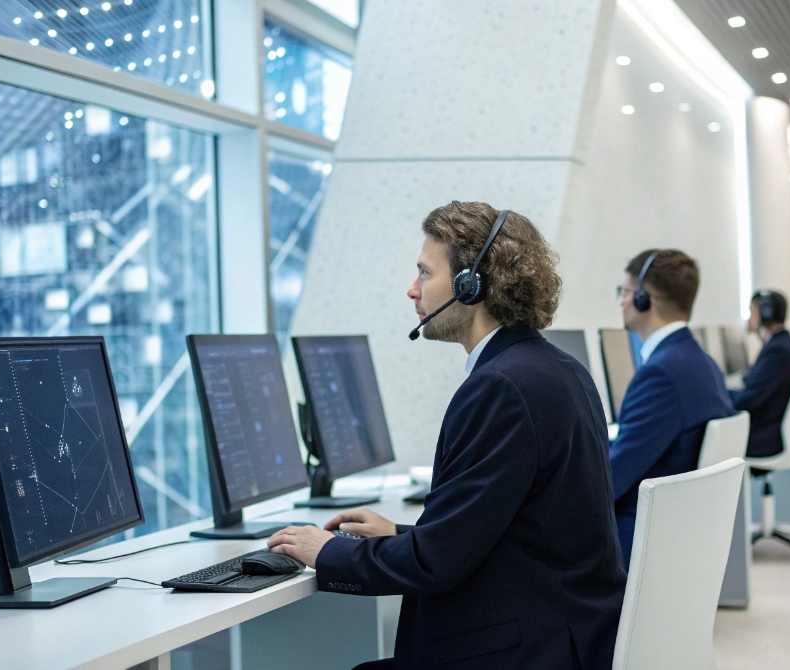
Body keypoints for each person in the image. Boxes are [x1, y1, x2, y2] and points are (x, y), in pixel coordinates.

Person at [267, 202, 626, 669]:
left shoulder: (501, 387)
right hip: (563, 632)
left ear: (470, 285)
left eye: (424, 273)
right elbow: (509, 529)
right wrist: (400, 532)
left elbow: (436, 564)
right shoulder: (557, 368)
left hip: (524, 649)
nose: (412, 290)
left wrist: (328, 552)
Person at [609, 249, 734, 569]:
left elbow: (613, 479)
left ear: (643, 300)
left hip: (640, 533)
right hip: (679, 527)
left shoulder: (661, 374)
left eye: (625, 293)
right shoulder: (702, 363)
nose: (621, 302)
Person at [730, 291, 790, 458]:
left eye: (752, 311)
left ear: (766, 314)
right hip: (772, 430)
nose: (749, 317)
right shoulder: (782, 344)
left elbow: (748, 400)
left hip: (765, 438)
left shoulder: (777, 350)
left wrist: (720, 394)